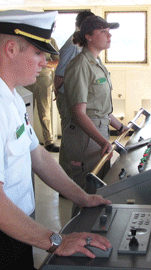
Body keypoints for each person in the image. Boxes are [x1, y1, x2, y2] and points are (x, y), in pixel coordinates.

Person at [0, 10, 111, 270]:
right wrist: (56, 242)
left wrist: (82, 198)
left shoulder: (9, 97)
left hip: (10, 229)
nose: (45, 62)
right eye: (38, 53)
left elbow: (39, 156)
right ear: (11, 49)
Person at [59, 16, 129, 194]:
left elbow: (101, 108)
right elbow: (79, 113)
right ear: (88, 36)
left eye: (109, 32)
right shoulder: (80, 66)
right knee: (87, 193)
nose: (109, 36)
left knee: (98, 190)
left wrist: (121, 127)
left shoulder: (97, 64)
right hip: (85, 138)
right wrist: (102, 141)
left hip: (99, 132)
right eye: (103, 32)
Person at [54, 10, 95, 130]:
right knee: (71, 131)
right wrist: (58, 92)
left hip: (76, 96)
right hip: (68, 97)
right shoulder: (73, 45)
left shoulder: (83, 44)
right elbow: (59, 75)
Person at [26, 35, 60, 152]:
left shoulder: (51, 41)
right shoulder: (26, 38)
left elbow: (57, 61)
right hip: (26, 78)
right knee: (25, 112)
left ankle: (48, 141)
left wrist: (44, 63)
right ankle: (26, 140)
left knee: (45, 112)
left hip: (43, 79)